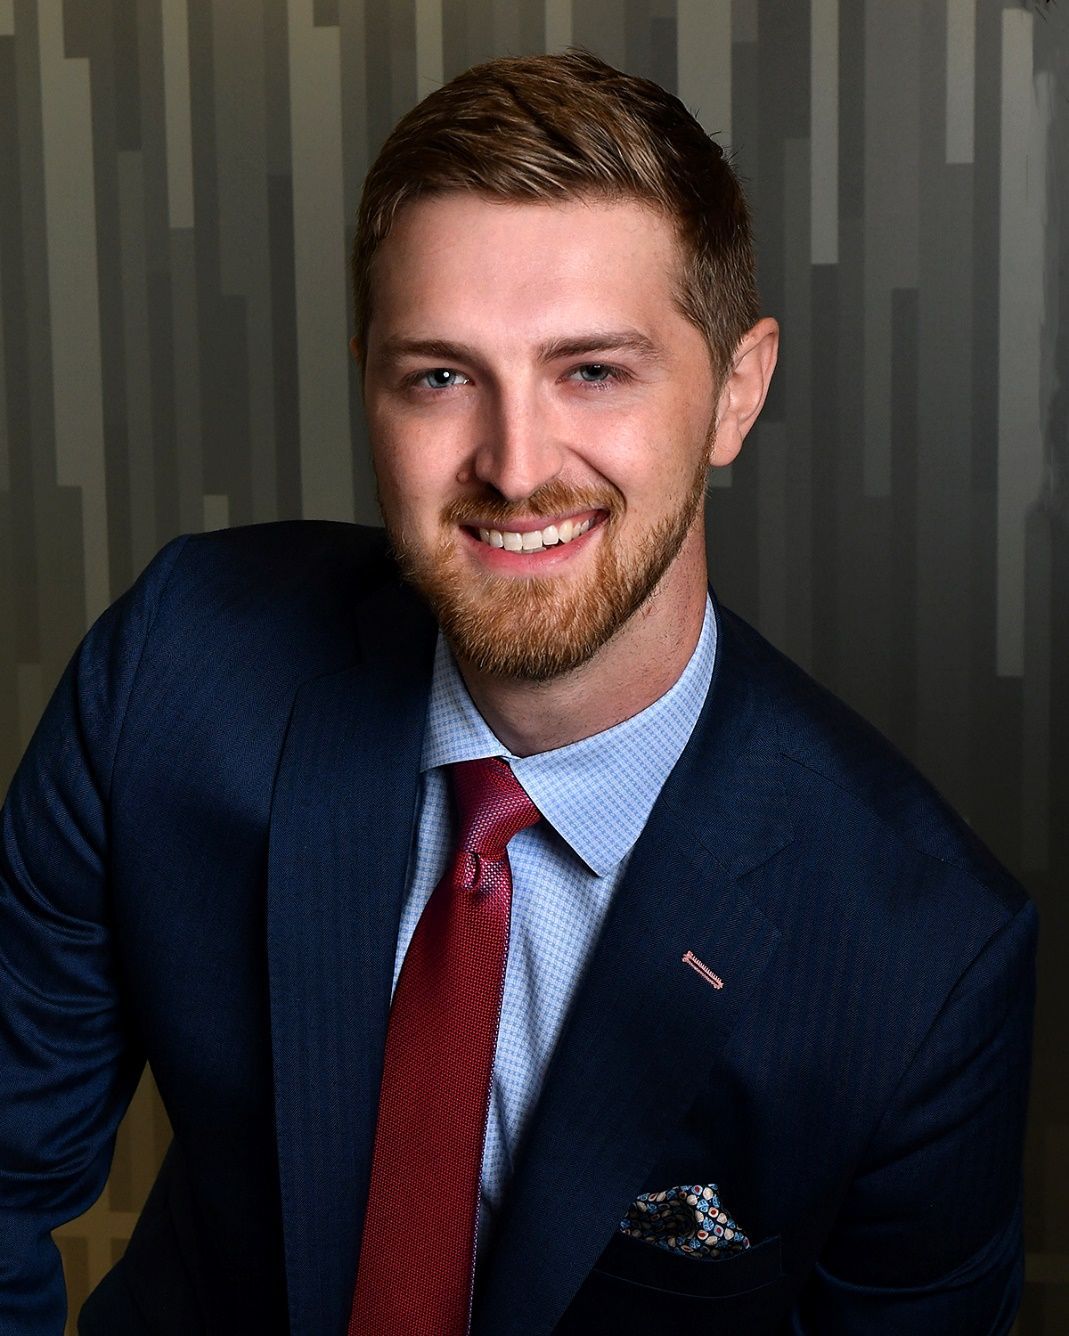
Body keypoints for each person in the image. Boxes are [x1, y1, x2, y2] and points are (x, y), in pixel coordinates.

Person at [0, 50, 1035, 1336]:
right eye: (440, 375)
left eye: (592, 370)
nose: (515, 463)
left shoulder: (922, 952)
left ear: (737, 390)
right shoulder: (178, 667)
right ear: (368, 379)